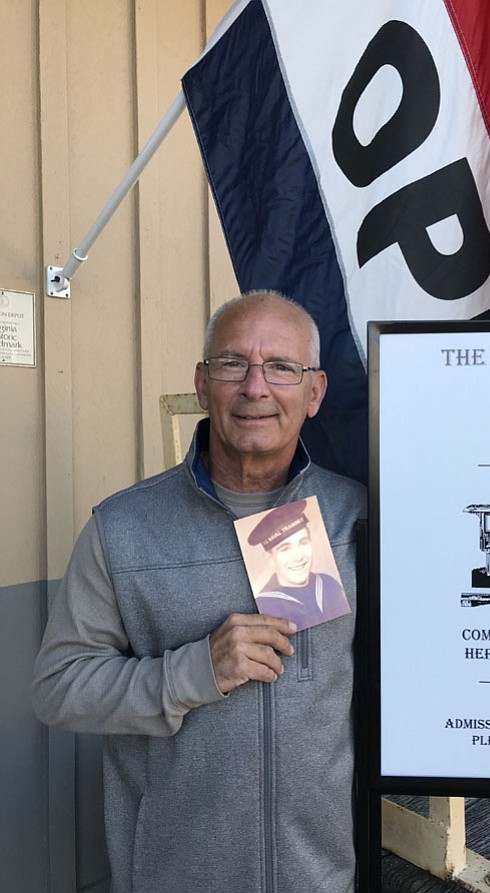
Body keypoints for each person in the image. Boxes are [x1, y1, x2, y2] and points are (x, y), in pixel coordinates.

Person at [32, 291, 366, 893]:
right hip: (174, 875)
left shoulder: (357, 519)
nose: (255, 388)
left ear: (314, 393)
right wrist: (191, 672)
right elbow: (58, 689)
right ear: (202, 382)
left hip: (321, 877)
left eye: (281, 368)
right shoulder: (124, 529)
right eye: (232, 363)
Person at [248, 499, 351, 630]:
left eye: (303, 543)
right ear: (270, 558)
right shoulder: (264, 603)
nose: (298, 557)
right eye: (285, 549)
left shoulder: (330, 584)